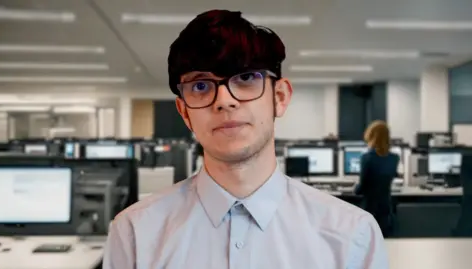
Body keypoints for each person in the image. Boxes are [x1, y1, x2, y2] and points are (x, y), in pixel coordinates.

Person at [103, 10, 388, 269]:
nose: (224, 101)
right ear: (184, 112)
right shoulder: (135, 233)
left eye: (246, 77)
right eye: (201, 85)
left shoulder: (352, 235)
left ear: (279, 97)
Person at [354, 120, 400, 237]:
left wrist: (354, 188)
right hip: (386, 210)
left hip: (369, 210)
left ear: (371, 136)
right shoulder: (394, 158)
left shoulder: (367, 158)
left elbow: (362, 187)